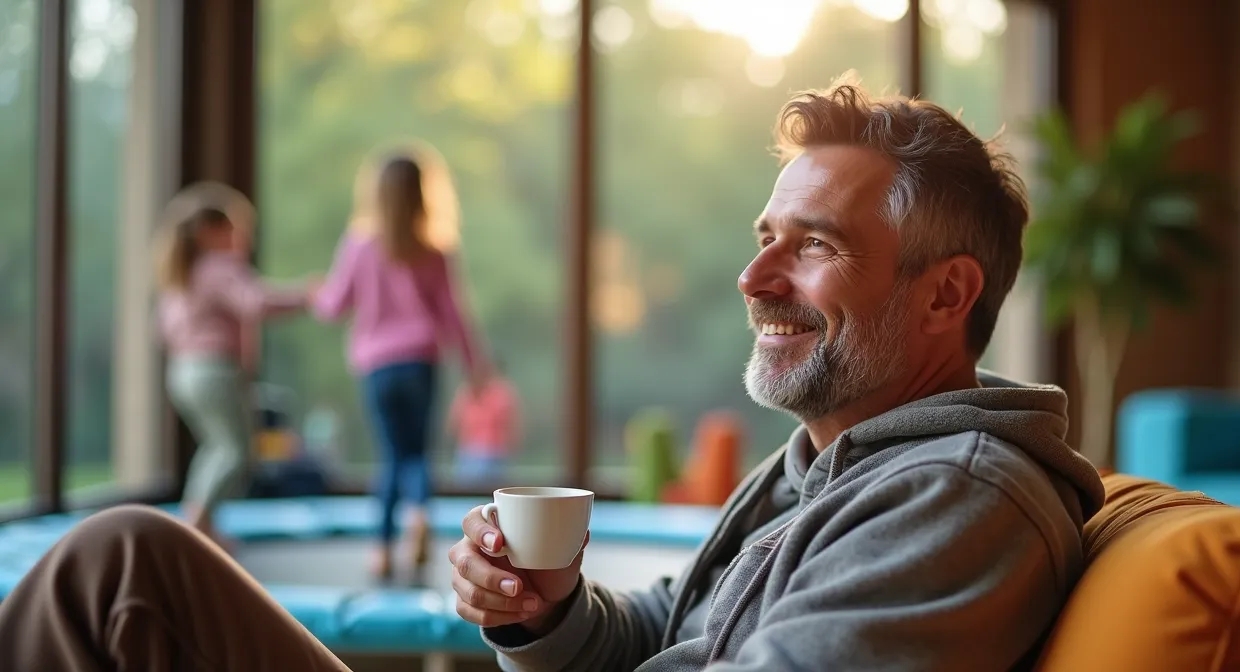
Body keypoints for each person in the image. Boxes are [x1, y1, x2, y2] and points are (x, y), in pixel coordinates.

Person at [0, 75, 1104, 672]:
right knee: (127, 560)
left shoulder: (956, 494)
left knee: (124, 569)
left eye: (810, 245)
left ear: (946, 295)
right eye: (765, 233)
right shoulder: (825, 465)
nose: (750, 275)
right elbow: (670, 625)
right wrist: (546, 611)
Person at [310, 146, 486, 580]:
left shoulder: (360, 244)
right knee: (417, 455)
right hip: (421, 361)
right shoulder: (435, 249)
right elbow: (454, 314)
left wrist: (314, 294)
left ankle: (383, 549)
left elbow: (334, 306)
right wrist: (474, 365)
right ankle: (420, 515)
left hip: (377, 366)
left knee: (390, 456)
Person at [153, 183, 315, 547]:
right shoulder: (219, 265)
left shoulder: (182, 273)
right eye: (236, 230)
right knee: (236, 451)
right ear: (212, 232)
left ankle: (200, 521)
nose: (242, 239)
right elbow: (255, 302)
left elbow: (161, 328)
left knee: (216, 446)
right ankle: (196, 522)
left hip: (182, 371)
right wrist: (305, 295)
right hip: (214, 371)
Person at [446, 356, 521, 483]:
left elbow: (513, 424)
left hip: (494, 452)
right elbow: (454, 422)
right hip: (472, 453)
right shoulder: (467, 392)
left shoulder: (502, 392)